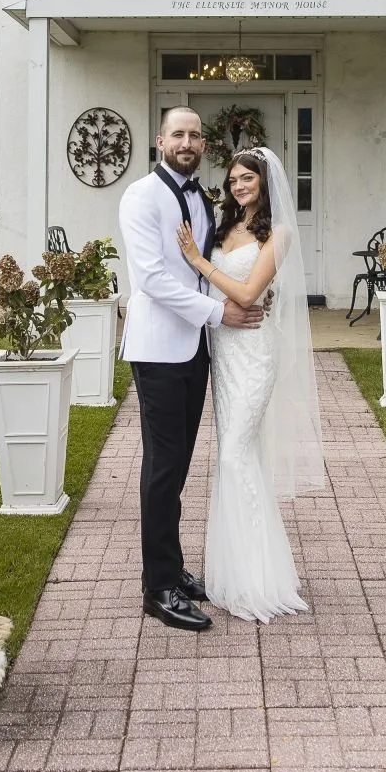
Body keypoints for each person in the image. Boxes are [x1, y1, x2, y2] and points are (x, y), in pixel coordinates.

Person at [116, 107, 266, 632]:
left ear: (204, 144)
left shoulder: (201, 197)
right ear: (160, 140)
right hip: (158, 348)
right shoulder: (141, 196)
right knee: (162, 466)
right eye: (177, 133)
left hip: (197, 348)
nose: (186, 141)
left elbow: (209, 269)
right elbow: (152, 279)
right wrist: (219, 312)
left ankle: (174, 568)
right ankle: (157, 588)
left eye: (194, 135)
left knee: (178, 465)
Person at [174, 146, 327, 622]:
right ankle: (233, 572)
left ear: (266, 182)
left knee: (236, 453)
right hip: (223, 351)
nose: (240, 187)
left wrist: (198, 260)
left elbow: (246, 292)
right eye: (234, 179)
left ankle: (257, 581)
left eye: (248, 179)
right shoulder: (226, 227)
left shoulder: (278, 234)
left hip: (255, 353)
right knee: (234, 454)